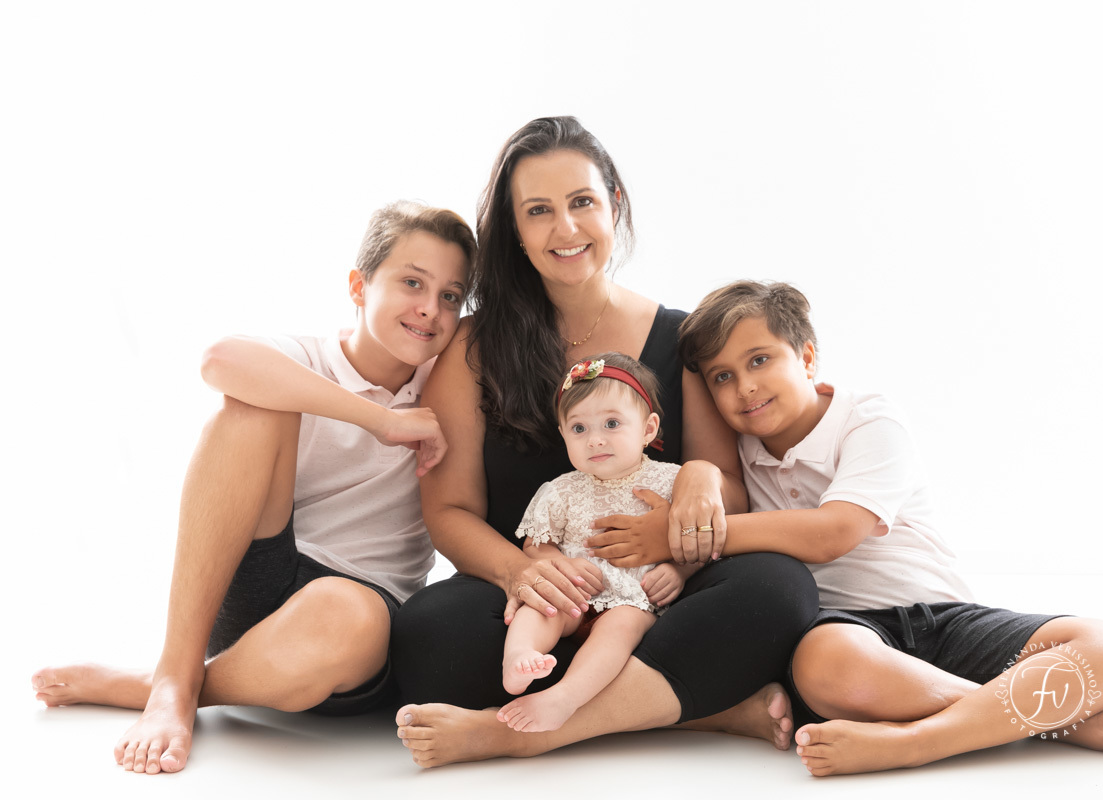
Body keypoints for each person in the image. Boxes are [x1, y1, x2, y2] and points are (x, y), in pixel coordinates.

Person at [392, 116, 819, 768]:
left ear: (613, 205)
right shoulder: (474, 346)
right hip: (535, 601)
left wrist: (700, 478)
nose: (566, 228)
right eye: (539, 210)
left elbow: (727, 491)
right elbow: (449, 511)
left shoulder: (678, 337)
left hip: (655, 593)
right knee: (428, 637)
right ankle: (706, 710)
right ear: (515, 230)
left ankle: (537, 728)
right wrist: (522, 573)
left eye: (582, 202)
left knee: (779, 589)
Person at [31, 200, 476, 775]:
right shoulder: (309, 358)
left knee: (347, 614)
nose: (430, 309)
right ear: (359, 286)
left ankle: (169, 685)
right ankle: (174, 674)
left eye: (450, 296)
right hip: (259, 579)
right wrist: (379, 420)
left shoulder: (449, 385)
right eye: (412, 282)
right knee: (254, 407)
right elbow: (219, 360)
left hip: (353, 619)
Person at [631, 278, 1103, 776]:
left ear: (806, 358)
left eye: (760, 360)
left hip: (943, 617)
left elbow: (834, 532)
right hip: (849, 634)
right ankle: (1053, 723)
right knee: (822, 665)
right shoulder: (738, 452)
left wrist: (687, 536)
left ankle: (916, 741)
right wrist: (697, 479)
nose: (745, 387)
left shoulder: (867, 419)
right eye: (722, 377)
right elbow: (716, 486)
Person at [498, 353, 702, 733]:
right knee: (543, 603)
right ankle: (519, 655)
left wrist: (679, 570)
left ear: (648, 428)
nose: (595, 439)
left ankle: (565, 698)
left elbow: (697, 538)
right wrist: (559, 563)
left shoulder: (672, 482)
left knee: (622, 625)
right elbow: (536, 545)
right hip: (575, 593)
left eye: (611, 423)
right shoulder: (562, 489)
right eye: (579, 428)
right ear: (563, 434)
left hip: (632, 599)